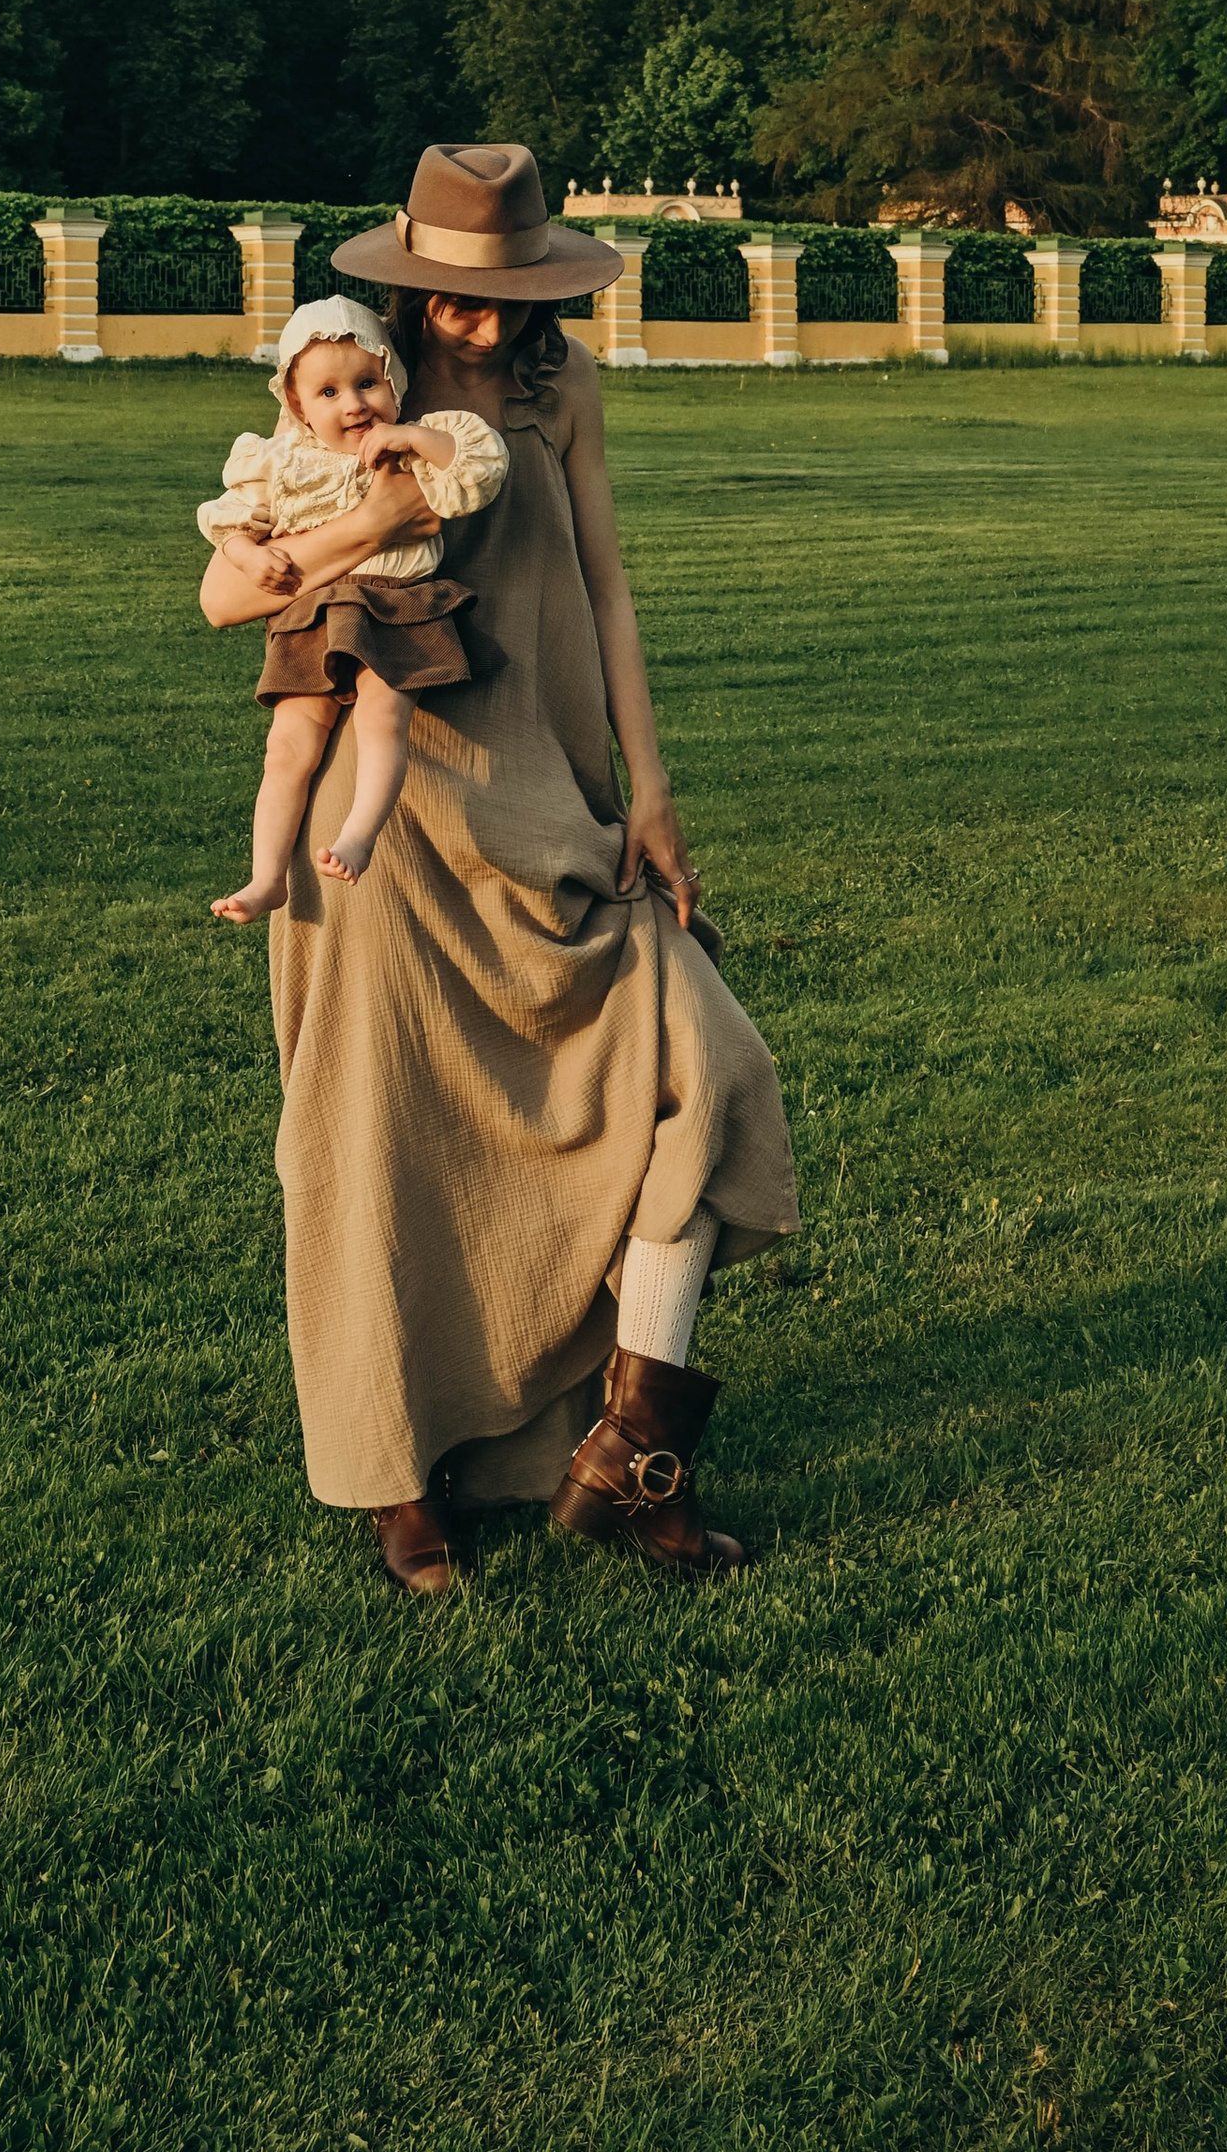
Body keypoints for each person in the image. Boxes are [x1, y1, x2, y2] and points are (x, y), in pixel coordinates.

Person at [200, 141, 799, 1597]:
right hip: (386, 827)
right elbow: (227, 595)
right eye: (455, 297)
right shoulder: (347, 391)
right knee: (379, 1149)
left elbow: (604, 582)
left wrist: (650, 789)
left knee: (707, 1074)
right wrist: (377, 516)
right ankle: (401, 1483)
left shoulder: (562, 386)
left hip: (553, 797)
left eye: (504, 294)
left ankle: (630, 1450)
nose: (479, 319)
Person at [198, 296, 508, 922]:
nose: (354, 405)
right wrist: (247, 555)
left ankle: (359, 833)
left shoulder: (416, 443)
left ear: (394, 382)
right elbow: (225, 522)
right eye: (329, 393)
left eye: (368, 384)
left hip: (395, 605)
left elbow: (481, 468)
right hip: (312, 615)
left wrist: (412, 434)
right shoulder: (277, 461)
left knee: (382, 720)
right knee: (288, 746)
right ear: (297, 407)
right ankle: (267, 878)